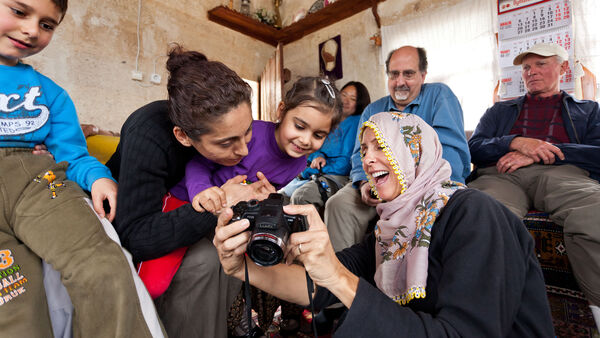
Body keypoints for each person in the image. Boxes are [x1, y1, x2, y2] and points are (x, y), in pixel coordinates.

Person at [213, 112, 555, 337]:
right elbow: (317, 285)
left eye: (383, 146)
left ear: (416, 152)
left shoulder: (474, 214)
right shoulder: (390, 229)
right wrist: (241, 269)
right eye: (363, 149)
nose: (368, 158)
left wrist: (336, 275)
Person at [0, 0, 162, 336]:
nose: (32, 30)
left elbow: (72, 153)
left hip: (40, 183)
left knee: (103, 267)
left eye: (47, 25)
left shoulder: (52, 93)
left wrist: (100, 177)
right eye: (19, 11)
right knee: (14, 303)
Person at [105, 45, 277, 337]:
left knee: (240, 244)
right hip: (135, 226)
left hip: (178, 215)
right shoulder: (147, 134)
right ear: (182, 136)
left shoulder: (235, 139)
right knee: (207, 260)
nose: (244, 149)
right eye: (226, 143)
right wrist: (221, 204)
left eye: (247, 132)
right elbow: (135, 235)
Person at [139, 76, 343, 298]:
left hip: (227, 216)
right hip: (185, 202)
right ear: (282, 111)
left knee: (255, 264)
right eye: (299, 126)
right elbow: (198, 163)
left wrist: (269, 198)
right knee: (153, 284)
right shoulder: (250, 134)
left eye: (318, 135)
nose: (305, 140)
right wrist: (202, 191)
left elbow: (262, 192)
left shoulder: (299, 163)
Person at [468, 42, 600, 326]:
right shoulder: (500, 111)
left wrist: (544, 150)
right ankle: (484, 318)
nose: (532, 72)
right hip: (502, 175)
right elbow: (473, 148)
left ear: (563, 68)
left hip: (563, 173)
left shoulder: (588, 110)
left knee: (595, 211)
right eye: (527, 67)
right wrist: (514, 142)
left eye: (541, 64)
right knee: (483, 216)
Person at [323, 46, 471, 252]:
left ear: (423, 75)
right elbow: (359, 155)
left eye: (408, 74)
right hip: (378, 183)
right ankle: (342, 277)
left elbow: (451, 155)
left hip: (425, 187)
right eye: (394, 74)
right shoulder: (373, 109)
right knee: (338, 204)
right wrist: (364, 183)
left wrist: (408, 189)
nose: (400, 82)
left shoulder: (440, 96)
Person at [284, 81, 370, 213]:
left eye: (352, 99)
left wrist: (320, 167)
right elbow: (315, 147)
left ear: (359, 103)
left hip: (336, 175)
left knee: (301, 197)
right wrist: (318, 156)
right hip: (314, 171)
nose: (346, 101)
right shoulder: (329, 119)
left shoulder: (358, 123)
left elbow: (349, 161)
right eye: (344, 95)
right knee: (280, 196)